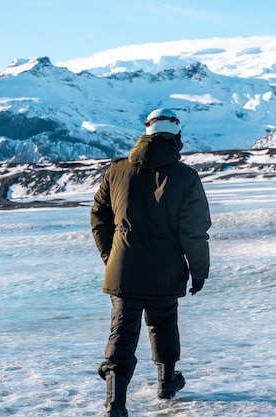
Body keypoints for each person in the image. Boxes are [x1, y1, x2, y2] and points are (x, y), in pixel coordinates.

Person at [90, 108, 211, 417]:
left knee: (122, 334)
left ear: (145, 133)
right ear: (177, 137)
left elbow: (99, 218)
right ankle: (167, 382)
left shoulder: (116, 171)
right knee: (164, 323)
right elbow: (194, 232)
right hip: (165, 270)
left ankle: (114, 405)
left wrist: (112, 256)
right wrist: (199, 272)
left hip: (123, 270)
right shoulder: (185, 176)